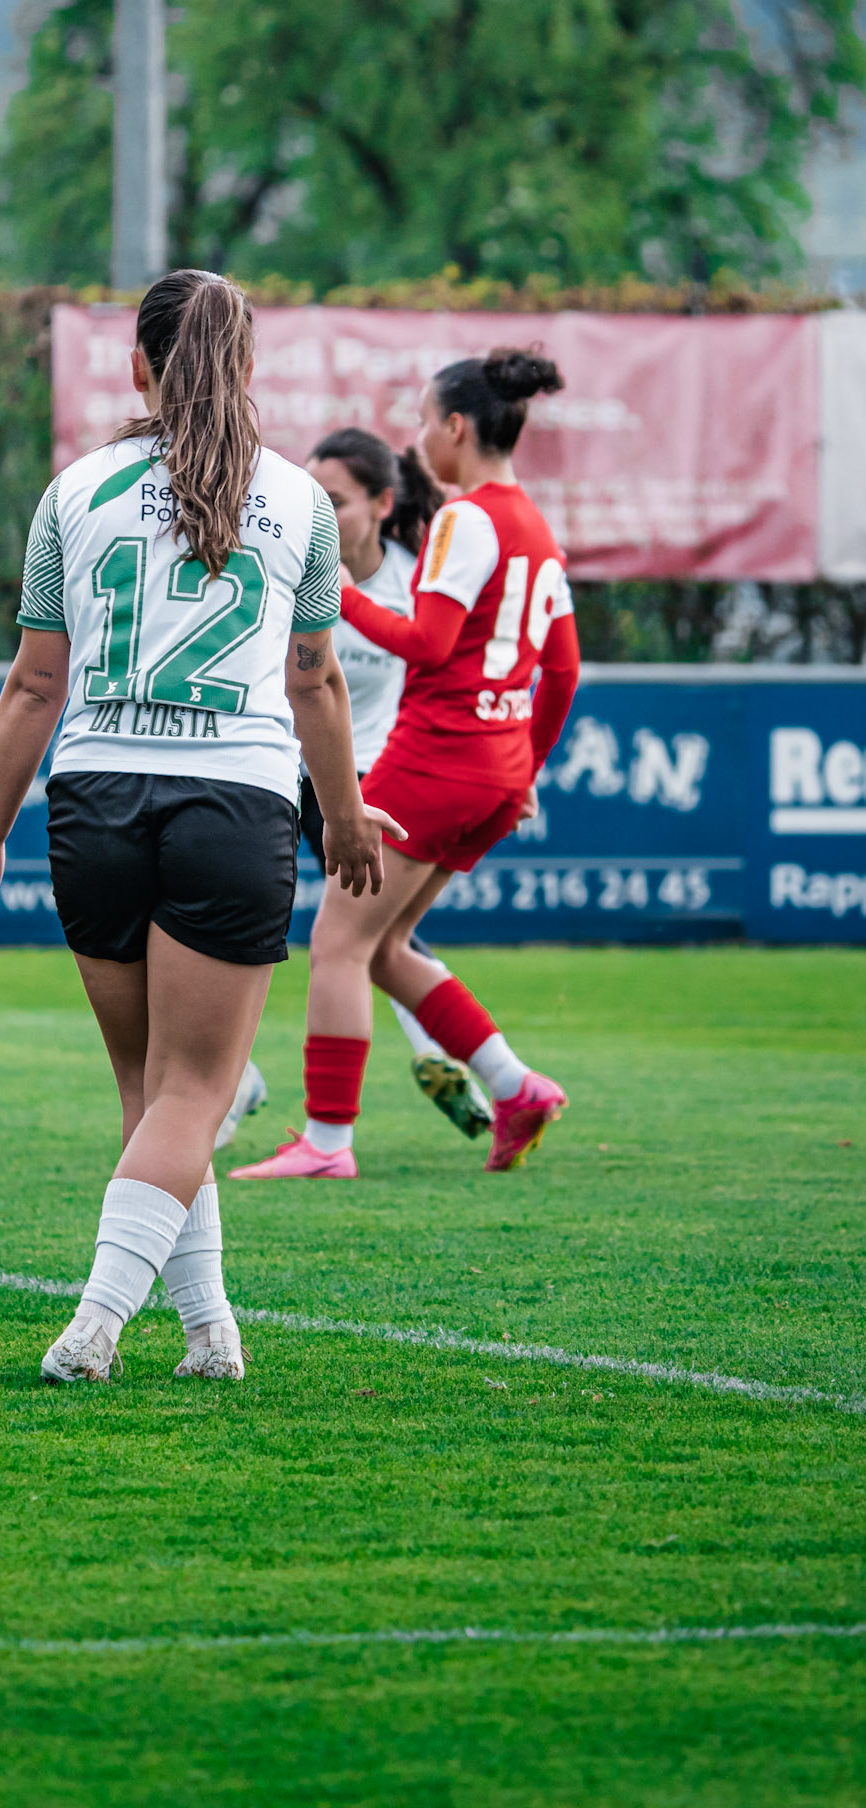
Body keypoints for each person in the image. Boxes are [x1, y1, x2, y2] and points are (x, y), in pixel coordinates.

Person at [0, 269, 402, 1383]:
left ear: (137, 365)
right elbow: (317, 678)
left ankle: (209, 1332)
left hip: (92, 802)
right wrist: (344, 811)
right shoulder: (299, 502)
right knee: (194, 1092)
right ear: (245, 370)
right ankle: (93, 1326)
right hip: (232, 802)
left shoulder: (75, 490)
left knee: (156, 1094)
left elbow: (34, 684)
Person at [231, 346, 582, 1183]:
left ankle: (325, 1140)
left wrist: (332, 591)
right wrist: (524, 765)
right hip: (492, 770)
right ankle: (515, 1087)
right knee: (383, 946)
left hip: (435, 757)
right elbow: (562, 668)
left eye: (425, 420)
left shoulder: (467, 518)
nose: (421, 438)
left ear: (456, 426)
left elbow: (425, 643)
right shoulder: (533, 524)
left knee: (337, 945)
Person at [216, 426, 489, 1148]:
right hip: (287, 770)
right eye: (314, 497)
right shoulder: (290, 566)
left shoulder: (412, 579)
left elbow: (440, 665)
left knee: (358, 936)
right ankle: (235, 1076)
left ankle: (417, 1079)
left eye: (334, 500)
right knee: (269, 921)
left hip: (372, 779)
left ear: (380, 504)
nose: (320, 511)